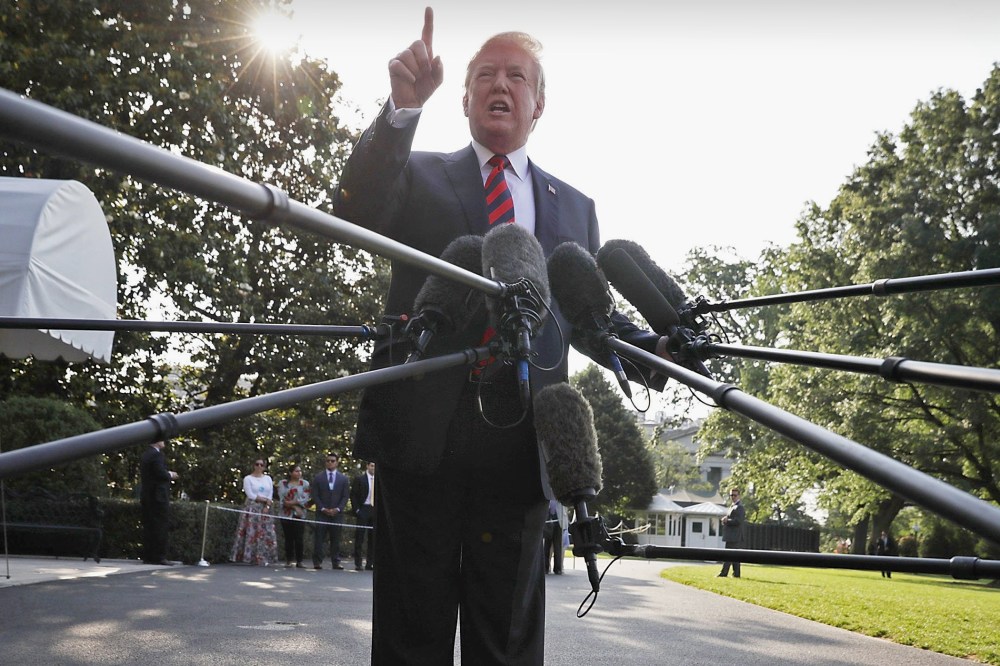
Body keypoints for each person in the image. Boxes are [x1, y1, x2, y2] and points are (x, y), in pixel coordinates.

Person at [332, 8, 673, 664]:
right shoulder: (419, 173)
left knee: (508, 645)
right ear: (463, 97)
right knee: (410, 636)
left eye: (517, 75)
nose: (501, 83)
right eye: (486, 73)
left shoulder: (575, 207)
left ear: (539, 102)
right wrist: (401, 110)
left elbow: (585, 313)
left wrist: (653, 354)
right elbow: (356, 209)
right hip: (420, 435)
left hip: (522, 448)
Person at [230, 458, 279, 566]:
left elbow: (270, 493)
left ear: (264, 467)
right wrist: (262, 499)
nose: (259, 467)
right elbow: (250, 494)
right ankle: (249, 557)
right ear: (254, 465)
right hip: (252, 507)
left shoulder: (268, 478)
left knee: (266, 532)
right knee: (251, 532)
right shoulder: (248, 478)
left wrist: (267, 504)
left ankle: (265, 557)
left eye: (261, 465)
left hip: (266, 508)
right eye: (257, 464)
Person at [139, 440, 179, 565]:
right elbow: (160, 473)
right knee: (160, 525)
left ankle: (148, 555)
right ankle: (159, 556)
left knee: (149, 525)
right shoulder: (156, 455)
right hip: (158, 496)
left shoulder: (146, 454)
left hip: (147, 495)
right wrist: (170, 474)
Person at [311, 452, 349, 570]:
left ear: (337, 462)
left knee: (336, 538)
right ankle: (317, 561)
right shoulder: (318, 477)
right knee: (319, 538)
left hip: (337, 514)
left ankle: (336, 561)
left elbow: (345, 496)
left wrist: (337, 509)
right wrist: (322, 508)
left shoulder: (343, 478)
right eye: (328, 461)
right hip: (322, 513)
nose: (330, 463)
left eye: (332, 461)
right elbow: (315, 495)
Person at [277, 463, 311, 569]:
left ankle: (299, 561)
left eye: (300, 471)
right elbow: (282, 499)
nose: (299, 473)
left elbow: (305, 498)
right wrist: (294, 506)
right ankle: (288, 560)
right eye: (296, 471)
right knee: (289, 538)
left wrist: (296, 505)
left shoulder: (305, 484)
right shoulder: (283, 483)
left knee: (299, 538)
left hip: (300, 515)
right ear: (290, 473)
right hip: (286, 514)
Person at [351, 461, 376, 571]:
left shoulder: (379, 480)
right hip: (363, 509)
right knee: (360, 537)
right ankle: (358, 563)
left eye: (375, 466)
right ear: (367, 466)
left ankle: (370, 563)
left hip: (374, 510)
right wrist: (357, 510)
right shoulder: (360, 479)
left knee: (373, 538)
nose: (373, 468)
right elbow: (354, 495)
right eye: (371, 466)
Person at [718, 487, 746, 578]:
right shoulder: (732, 506)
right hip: (731, 535)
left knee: (729, 555)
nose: (733, 497)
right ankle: (736, 574)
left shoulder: (740, 507)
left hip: (735, 536)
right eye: (731, 495)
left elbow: (738, 521)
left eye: (735, 495)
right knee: (735, 557)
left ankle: (724, 573)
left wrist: (727, 521)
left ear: (739, 496)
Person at [543, 499, 568, 575]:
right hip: (548, 519)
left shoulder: (560, 493)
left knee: (558, 546)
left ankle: (558, 568)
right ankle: (545, 568)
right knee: (547, 546)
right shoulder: (548, 493)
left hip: (560, 521)